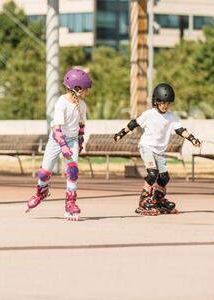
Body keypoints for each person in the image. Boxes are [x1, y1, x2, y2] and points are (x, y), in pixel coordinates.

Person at [113, 83, 201, 215]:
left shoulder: (171, 117)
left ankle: (157, 200)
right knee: (153, 173)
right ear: (156, 101)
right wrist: (121, 133)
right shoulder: (149, 114)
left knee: (164, 177)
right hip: (146, 146)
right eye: (162, 103)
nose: (165, 106)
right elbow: (134, 123)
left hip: (159, 151)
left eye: (168, 103)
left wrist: (192, 139)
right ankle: (143, 200)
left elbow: (180, 130)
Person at [25, 68, 92, 221]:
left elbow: (81, 126)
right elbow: (56, 129)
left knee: (73, 171)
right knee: (44, 173)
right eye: (86, 89)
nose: (87, 92)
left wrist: (79, 141)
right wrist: (63, 146)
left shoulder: (82, 105)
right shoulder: (61, 102)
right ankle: (41, 192)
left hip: (72, 140)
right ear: (76, 88)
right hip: (57, 140)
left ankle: (70, 204)